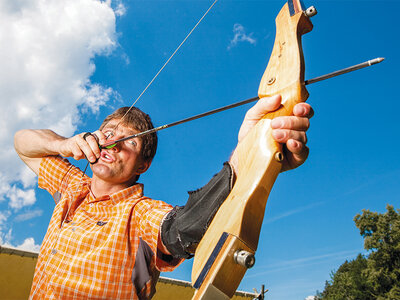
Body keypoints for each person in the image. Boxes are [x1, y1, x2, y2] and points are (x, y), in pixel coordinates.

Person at [14, 95, 313, 299]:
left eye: (128, 140)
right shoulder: (71, 186)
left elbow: (183, 229)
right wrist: (64, 143)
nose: (112, 142)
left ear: (143, 165)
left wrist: (250, 155)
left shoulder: (139, 213)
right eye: (107, 133)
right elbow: (22, 143)